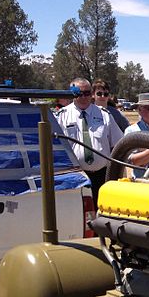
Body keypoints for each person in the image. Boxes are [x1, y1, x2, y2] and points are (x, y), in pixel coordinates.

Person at [57, 77, 124, 205]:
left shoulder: (104, 115)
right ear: (72, 94)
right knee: (78, 213)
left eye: (87, 93)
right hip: (75, 178)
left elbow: (118, 144)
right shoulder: (62, 116)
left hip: (102, 176)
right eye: (79, 94)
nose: (83, 97)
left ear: (91, 94)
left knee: (102, 212)